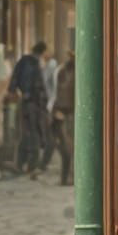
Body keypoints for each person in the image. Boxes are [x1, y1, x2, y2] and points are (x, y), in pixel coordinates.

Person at [9, 40, 50, 176]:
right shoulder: (34, 63)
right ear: (42, 52)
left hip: (28, 102)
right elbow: (38, 86)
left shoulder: (24, 61)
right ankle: (31, 165)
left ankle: (21, 164)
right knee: (34, 133)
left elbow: (14, 80)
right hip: (34, 103)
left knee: (27, 133)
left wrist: (15, 91)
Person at [51, 52, 76, 187]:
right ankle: (66, 177)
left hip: (74, 113)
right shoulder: (63, 71)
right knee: (67, 147)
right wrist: (57, 110)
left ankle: (70, 176)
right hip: (65, 113)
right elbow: (59, 92)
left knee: (72, 147)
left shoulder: (80, 71)